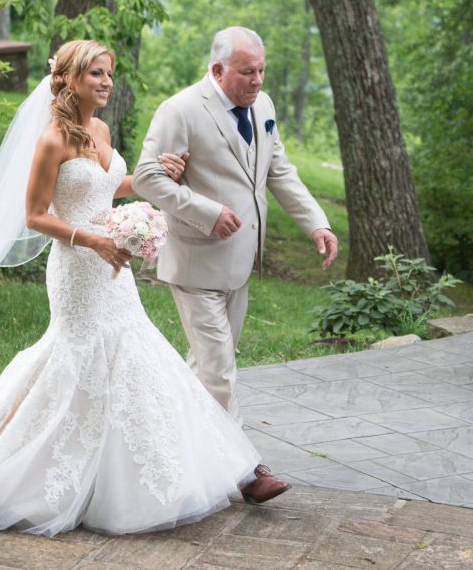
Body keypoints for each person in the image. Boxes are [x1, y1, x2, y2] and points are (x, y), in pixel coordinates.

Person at [0, 39, 287, 537]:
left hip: (113, 269)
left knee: (137, 360)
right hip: (78, 269)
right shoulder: (52, 139)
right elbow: (36, 214)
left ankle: (187, 470)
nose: (106, 82)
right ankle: (27, 468)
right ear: (71, 78)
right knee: (75, 360)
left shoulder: (100, 129)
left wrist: (147, 183)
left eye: (109, 74)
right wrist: (92, 240)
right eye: (96, 74)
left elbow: (104, 186)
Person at [132, 26, 338, 427]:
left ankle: (182, 447)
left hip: (241, 263)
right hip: (195, 263)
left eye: (261, 70)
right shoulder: (180, 110)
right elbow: (146, 178)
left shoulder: (264, 107)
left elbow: (279, 171)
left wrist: (316, 224)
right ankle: (245, 469)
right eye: (247, 72)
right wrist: (208, 213)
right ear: (218, 69)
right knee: (220, 371)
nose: (257, 80)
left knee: (205, 370)